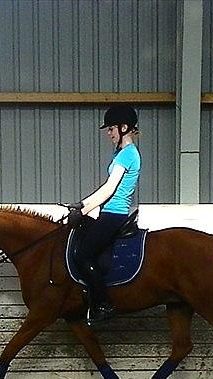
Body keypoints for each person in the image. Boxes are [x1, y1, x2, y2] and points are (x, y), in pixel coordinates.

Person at [68, 104, 141, 325]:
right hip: (107, 211)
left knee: (81, 256)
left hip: (114, 214)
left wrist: (84, 208)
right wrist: (84, 206)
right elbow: (107, 189)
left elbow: (109, 190)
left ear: (124, 127)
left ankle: (103, 304)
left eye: (111, 129)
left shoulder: (127, 155)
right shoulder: (121, 153)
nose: (109, 133)